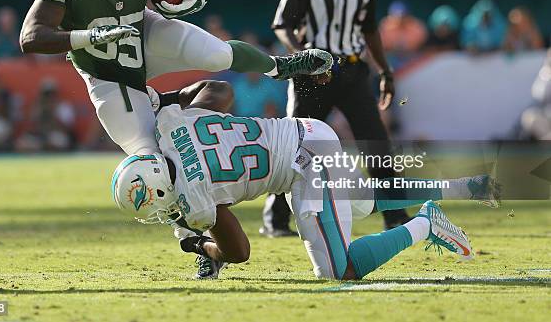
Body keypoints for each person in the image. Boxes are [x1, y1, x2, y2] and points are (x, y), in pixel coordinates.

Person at [19, 0, 332, 277]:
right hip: (106, 72)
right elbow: (31, 36)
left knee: (215, 53)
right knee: (153, 163)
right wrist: (87, 36)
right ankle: (194, 237)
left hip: (141, 31)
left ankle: (279, 67)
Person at [112, 80, 499, 280]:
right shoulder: (169, 123)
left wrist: (198, 244)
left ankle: (424, 223)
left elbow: (239, 252)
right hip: (307, 130)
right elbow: (220, 89)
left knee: (338, 271)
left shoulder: (194, 201)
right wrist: (167, 99)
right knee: (359, 200)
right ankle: (462, 187)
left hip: (305, 164)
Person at [267, 0, 409, 235]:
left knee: (376, 143)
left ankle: (395, 215)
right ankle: (275, 220)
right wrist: (304, 55)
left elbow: (370, 29)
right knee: (296, 145)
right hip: (314, 73)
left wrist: (384, 70)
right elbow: (282, 24)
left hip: (353, 70)